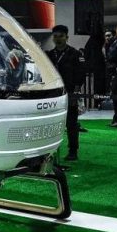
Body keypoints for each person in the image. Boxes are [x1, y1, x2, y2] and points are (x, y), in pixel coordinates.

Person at [46, 25, 86, 161]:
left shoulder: (75, 54)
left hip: (70, 93)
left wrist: (75, 93)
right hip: (53, 94)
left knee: (71, 124)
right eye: (55, 36)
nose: (58, 39)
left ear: (67, 37)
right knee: (51, 123)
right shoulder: (49, 55)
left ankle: (73, 150)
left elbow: (80, 74)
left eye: (61, 36)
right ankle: (49, 151)